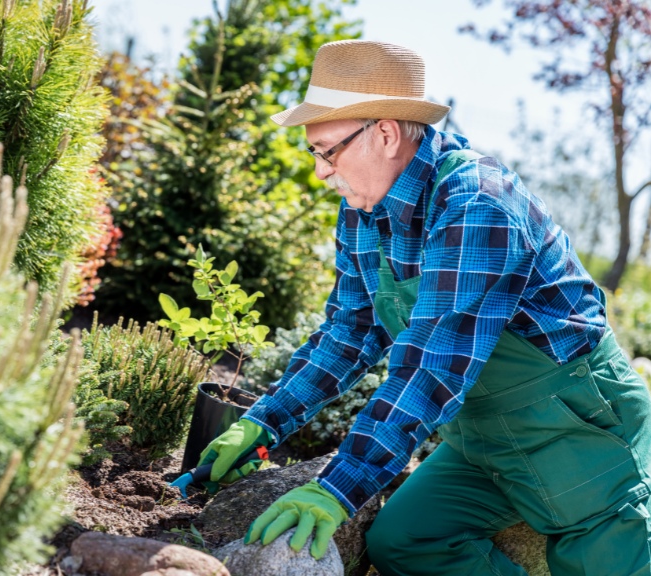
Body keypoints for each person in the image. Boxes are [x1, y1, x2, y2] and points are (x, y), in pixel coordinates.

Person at [198, 39, 651, 575]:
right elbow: (350, 331)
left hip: (575, 430)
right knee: (406, 542)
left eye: (327, 150)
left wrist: (337, 488)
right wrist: (264, 422)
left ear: (385, 133)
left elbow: (432, 364)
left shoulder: (477, 204)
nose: (321, 171)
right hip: (480, 440)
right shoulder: (363, 211)